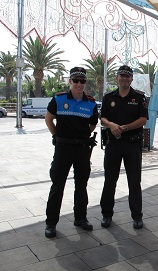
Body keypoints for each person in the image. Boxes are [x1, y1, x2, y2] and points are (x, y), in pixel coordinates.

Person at [44, 67, 99, 238]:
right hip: (63, 148)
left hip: (82, 149)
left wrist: (81, 136)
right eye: (76, 80)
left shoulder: (90, 103)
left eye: (82, 81)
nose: (79, 84)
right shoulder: (59, 99)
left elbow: (92, 124)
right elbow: (49, 119)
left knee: (81, 185)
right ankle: (51, 223)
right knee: (57, 185)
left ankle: (80, 219)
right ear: (70, 81)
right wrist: (57, 136)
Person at [99, 65, 148, 229]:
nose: (125, 79)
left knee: (134, 182)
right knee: (110, 181)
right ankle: (106, 215)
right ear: (117, 78)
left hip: (132, 145)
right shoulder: (108, 97)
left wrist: (125, 127)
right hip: (113, 144)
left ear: (131, 79)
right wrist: (111, 125)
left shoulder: (139, 98)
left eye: (128, 76)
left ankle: (137, 216)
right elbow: (102, 118)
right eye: (122, 76)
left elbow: (143, 120)